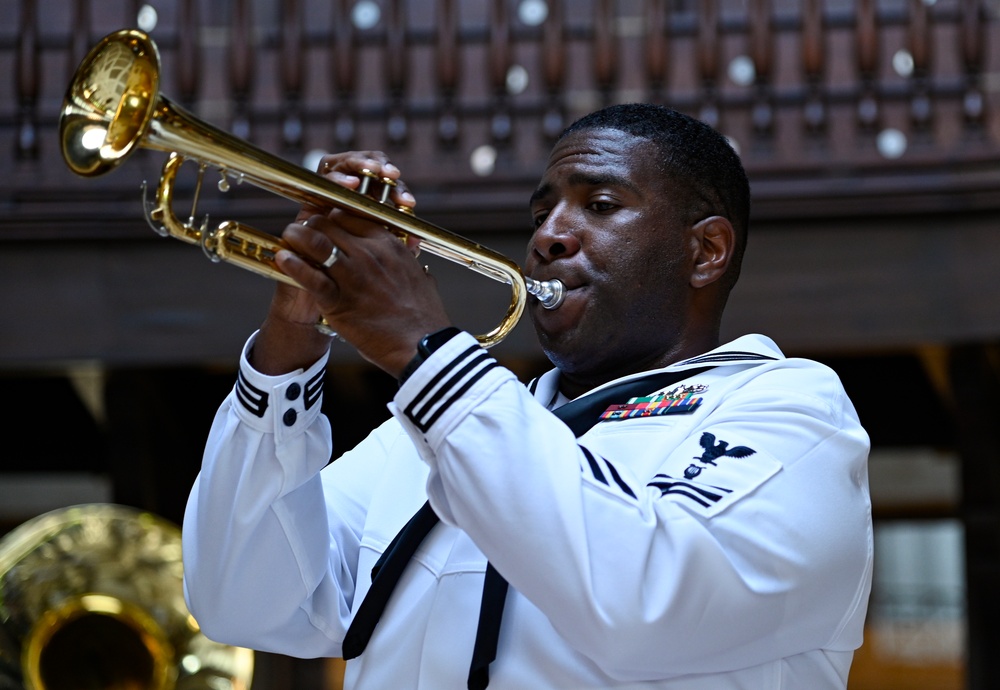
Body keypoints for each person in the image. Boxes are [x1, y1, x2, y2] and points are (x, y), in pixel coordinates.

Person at [182, 103, 873, 689]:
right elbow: (241, 600)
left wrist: (424, 347)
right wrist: (290, 341)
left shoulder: (789, 410)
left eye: (599, 206)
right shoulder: (425, 435)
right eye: (542, 212)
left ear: (706, 252)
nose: (547, 236)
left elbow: (638, 601)